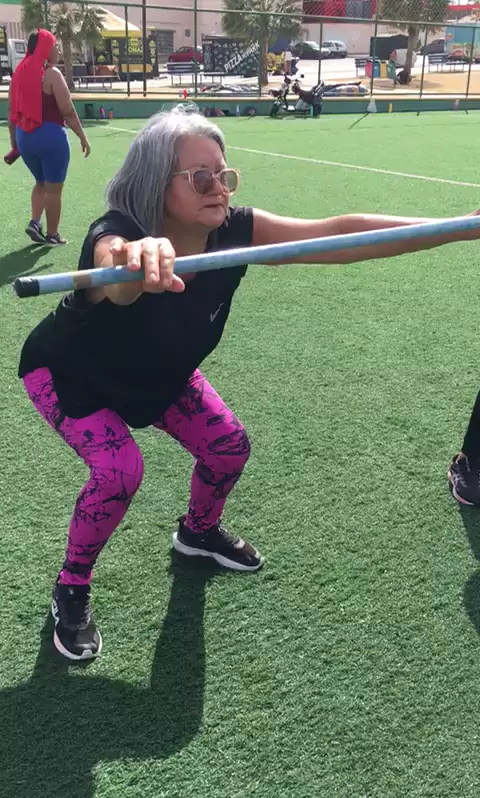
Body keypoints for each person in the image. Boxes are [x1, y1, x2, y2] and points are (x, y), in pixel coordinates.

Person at [18, 104, 480, 661]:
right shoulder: (117, 234)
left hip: (158, 373)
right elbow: (114, 275)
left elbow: (336, 235)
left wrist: (460, 227)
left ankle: (197, 533)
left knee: (227, 446)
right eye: (200, 177)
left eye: (224, 174)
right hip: (72, 376)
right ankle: (71, 586)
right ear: (156, 183)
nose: (220, 188)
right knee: (119, 470)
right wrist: (134, 261)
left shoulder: (234, 231)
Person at [8, 28, 91, 247]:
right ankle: (52, 235)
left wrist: (14, 143)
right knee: (54, 190)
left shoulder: (19, 72)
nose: (57, 50)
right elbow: (68, 111)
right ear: (45, 48)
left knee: (40, 182)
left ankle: (35, 223)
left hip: (24, 138)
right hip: (50, 137)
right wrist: (83, 137)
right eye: (54, 46)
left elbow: (11, 112)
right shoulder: (52, 74)